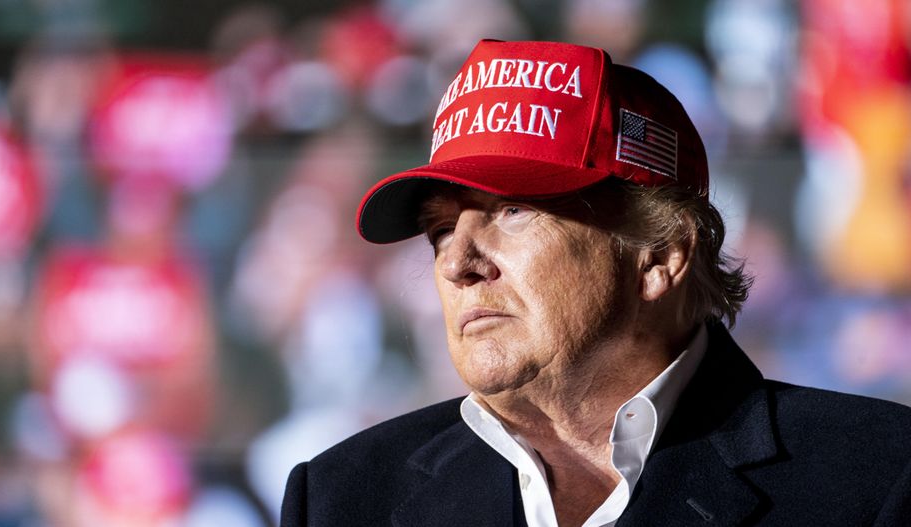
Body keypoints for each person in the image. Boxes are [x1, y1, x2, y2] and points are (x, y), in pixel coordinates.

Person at [281, 40, 911, 526]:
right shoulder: (341, 498)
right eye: (441, 229)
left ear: (659, 254)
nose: (456, 264)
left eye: (513, 211)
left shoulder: (879, 476)